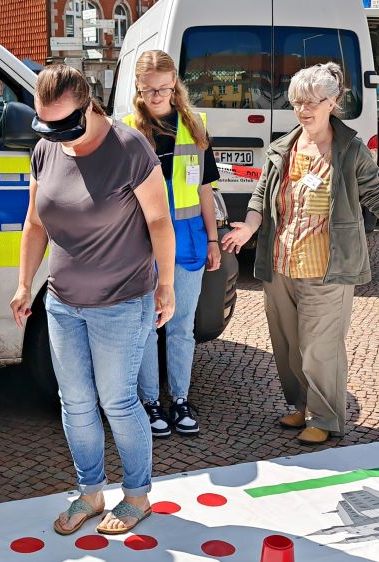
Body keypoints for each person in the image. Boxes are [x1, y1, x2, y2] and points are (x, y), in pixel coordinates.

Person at [221, 63, 379, 445]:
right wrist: (250, 226)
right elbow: (261, 196)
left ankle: (326, 417)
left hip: (327, 267)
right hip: (280, 264)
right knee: (288, 345)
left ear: (333, 102)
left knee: (319, 348)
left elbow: (377, 197)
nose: (304, 110)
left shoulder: (350, 149)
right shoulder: (283, 147)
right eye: (297, 103)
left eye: (311, 102)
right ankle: (299, 404)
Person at [9, 64, 175, 536]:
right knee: (75, 402)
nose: (56, 135)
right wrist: (25, 285)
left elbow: (159, 221)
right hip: (63, 302)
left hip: (122, 301)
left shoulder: (129, 148)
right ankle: (90, 491)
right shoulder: (46, 150)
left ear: (89, 105)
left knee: (118, 401)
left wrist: (165, 287)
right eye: (47, 125)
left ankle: (138, 496)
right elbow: (35, 223)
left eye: (64, 124)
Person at [123, 50, 220, 438]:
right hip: (142, 246)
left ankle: (179, 399)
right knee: (146, 326)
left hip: (190, 242)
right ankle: (150, 402)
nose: (157, 96)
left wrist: (213, 238)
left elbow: (204, 190)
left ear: (175, 85)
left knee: (181, 327)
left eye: (164, 88)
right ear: (138, 88)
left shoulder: (195, 125)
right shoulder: (127, 130)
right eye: (149, 90)